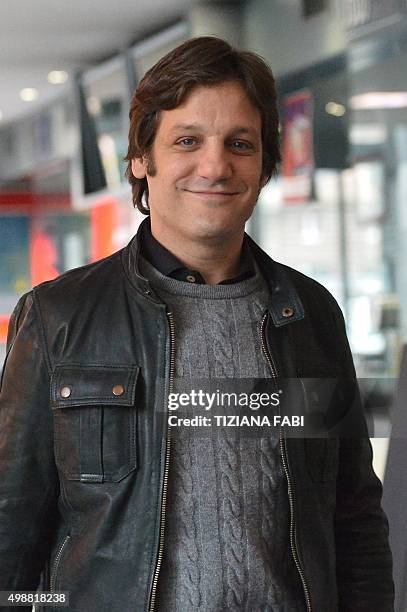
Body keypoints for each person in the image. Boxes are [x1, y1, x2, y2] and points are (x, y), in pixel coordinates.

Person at [0, 36, 394, 612]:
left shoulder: (310, 315)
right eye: (188, 140)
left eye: (240, 143)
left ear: (264, 166)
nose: (216, 166)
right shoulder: (59, 316)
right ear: (141, 158)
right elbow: (11, 532)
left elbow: (352, 517)